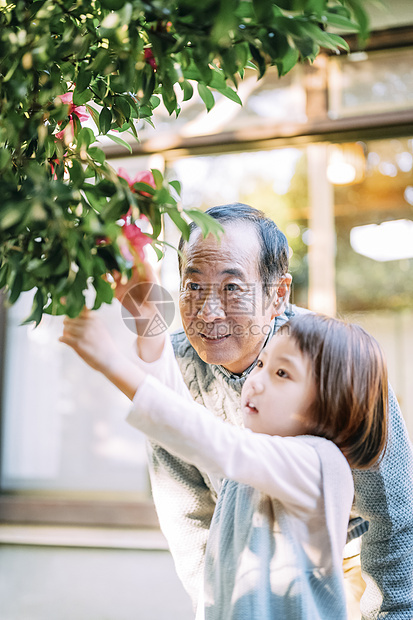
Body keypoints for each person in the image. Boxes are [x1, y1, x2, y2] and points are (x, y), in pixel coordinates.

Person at [60, 310, 388, 619]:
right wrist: (148, 318)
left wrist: (110, 361)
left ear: (332, 403)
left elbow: (209, 438)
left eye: (282, 373)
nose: (256, 381)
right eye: (261, 364)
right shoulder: (258, 456)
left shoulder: (319, 463)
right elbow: (178, 407)